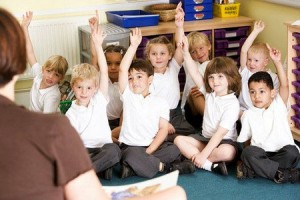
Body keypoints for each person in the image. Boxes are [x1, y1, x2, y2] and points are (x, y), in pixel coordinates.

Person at [0, 7, 187, 200]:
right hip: (93, 159)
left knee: (117, 150)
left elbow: (104, 72)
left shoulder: (65, 121)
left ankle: (112, 166)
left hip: (107, 147)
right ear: (18, 63)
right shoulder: (53, 128)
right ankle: (134, 167)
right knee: (176, 193)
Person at [118, 28, 195, 179]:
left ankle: (136, 167)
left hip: (156, 137)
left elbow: (161, 130)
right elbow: (122, 69)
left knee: (173, 149)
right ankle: (167, 167)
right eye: (131, 78)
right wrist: (133, 46)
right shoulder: (129, 95)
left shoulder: (160, 100)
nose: (134, 82)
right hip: (133, 145)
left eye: (139, 77)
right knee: (130, 154)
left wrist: (147, 153)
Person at [174, 36, 241, 176]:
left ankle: (196, 160)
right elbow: (194, 72)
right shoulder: (210, 93)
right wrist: (186, 52)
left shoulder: (232, 103)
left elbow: (220, 134)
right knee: (178, 140)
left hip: (224, 141)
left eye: (220, 77)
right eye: (211, 77)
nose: (215, 81)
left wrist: (203, 154)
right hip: (204, 138)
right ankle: (210, 166)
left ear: (230, 78)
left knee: (227, 152)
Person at [236, 45, 300, 183]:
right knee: (247, 153)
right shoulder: (248, 114)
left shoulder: (278, 105)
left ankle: (255, 170)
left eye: (261, 91)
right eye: (252, 92)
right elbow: (247, 143)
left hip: (281, 151)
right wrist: (247, 158)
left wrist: (277, 62)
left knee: (293, 152)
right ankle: (282, 174)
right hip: (261, 152)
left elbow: (284, 85)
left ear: (272, 93)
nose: (256, 96)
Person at [65, 23, 121, 180]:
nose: (84, 92)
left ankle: (87, 171)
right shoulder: (71, 113)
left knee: (115, 151)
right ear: (73, 87)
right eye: (79, 87)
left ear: (95, 88)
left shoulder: (99, 100)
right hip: (84, 150)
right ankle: (98, 169)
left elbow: (103, 71)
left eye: (89, 88)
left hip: (103, 148)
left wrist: (98, 45)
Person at [145, 3, 195, 142]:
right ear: (148, 57)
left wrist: (179, 25)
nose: (158, 57)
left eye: (162, 53)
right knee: (155, 132)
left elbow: (180, 45)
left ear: (169, 55)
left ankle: (169, 139)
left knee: (190, 132)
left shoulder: (173, 67)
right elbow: (149, 105)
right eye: (154, 54)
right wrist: (164, 123)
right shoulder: (148, 76)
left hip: (175, 113)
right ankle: (166, 138)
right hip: (156, 115)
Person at [89, 10, 126, 143]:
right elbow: (94, 55)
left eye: (118, 63)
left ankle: (113, 139)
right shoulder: (99, 77)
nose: (113, 67)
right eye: (109, 63)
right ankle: (109, 138)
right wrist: (95, 30)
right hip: (103, 121)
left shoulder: (126, 80)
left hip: (122, 123)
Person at [21, 11, 69, 113]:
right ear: (43, 69)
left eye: (56, 74)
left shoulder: (52, 96)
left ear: (61, 78)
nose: (50, 76)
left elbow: (47, 122)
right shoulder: (39, 74)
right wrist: (24, 28)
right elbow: (29, 52)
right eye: (48, 71)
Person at [175, 3, 211, 130]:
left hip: (210, 104)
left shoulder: (213, 65)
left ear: (209, 46)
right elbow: (179, 43)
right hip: (192, 109)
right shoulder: (190, 62)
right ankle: (211, 122)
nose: (199, 53)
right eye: (193, 51)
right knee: (195, 93)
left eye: (201, 48)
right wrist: (180, 25)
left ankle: (212, 121)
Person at [238, 20, 279, 116]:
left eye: (256, 61)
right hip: (244, 111)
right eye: (249, 59)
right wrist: (255, 31)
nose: (251, 63)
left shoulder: (273, 77)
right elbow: (244, 50)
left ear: (265, 62)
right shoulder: (246, 71)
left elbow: (274, 98)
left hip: (262, 112)